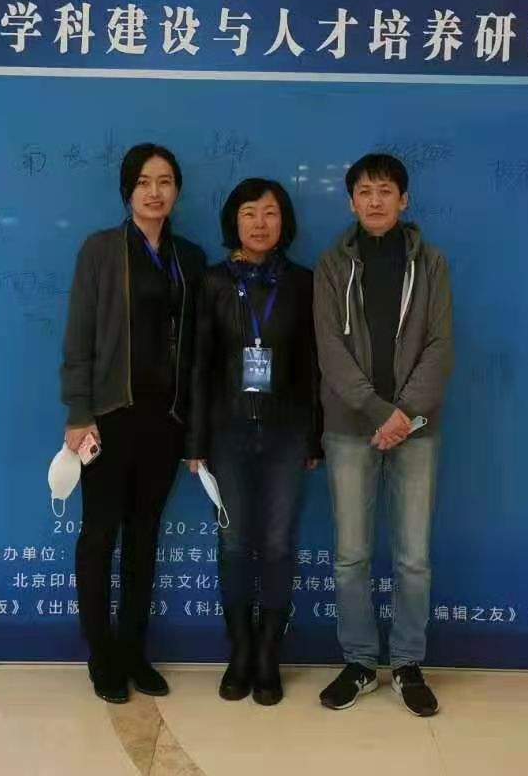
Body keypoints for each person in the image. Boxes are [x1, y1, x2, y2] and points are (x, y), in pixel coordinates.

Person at [61, 143, 206, 704]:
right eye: (143, 181)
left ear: (177, 191)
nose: (154, 191)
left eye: (165, 181)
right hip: (108, 417)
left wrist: (192, 422)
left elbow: (197, 347)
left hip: (164, 419)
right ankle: (102, 656)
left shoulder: (189, 258)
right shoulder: (100, 250)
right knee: (100, 536)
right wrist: (79, 413)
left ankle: (134, 651)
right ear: (127, 190)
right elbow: (79, 337)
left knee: (145, 538)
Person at [313, 152, 455, 717]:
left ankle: (408, 663)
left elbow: (440, 346)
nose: (375, 200)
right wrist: (377, 411)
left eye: (386, 191)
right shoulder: (331, 265)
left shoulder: (431, 263)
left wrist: (404, 414)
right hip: (350, 428)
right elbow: (329, 348)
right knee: (351, 555)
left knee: (413, 556)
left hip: (416, 430)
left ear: (404, 200)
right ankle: (359, 663)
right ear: (351, 201)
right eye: (365, 192)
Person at [185, 178, 321, 707]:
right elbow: (199, 365)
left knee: (280, 544)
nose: (260, 223)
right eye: (249, 213)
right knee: (236, 543)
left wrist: (314, 436)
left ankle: (269, 655)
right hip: (228, 432)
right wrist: (195, 440)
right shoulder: (213, 281)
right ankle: (239, 651)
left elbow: (313, 367)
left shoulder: (304, 282)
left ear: (284, 221)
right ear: (233, 222)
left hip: (288, 433)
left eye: (270, 213)